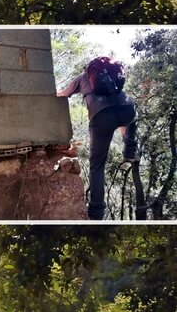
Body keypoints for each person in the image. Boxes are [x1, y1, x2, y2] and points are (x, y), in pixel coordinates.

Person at [57, 56, 139, 221]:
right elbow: (119, 102)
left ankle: (96, 212)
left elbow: (64, 94)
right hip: (127, 110)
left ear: (88, 69)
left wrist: (52, 94)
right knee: (132, 119)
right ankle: (130, 150)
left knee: (97, 166)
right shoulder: (113, 73)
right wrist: (125, 133)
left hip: (101, 118)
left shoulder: (82, 78)